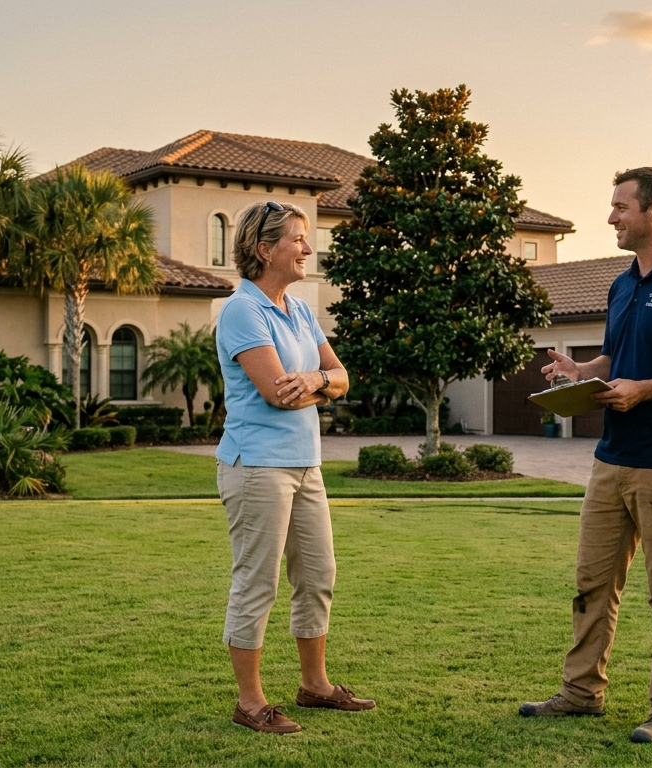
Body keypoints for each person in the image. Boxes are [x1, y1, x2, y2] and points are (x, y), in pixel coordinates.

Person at [520, 168, 652, 743]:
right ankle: (580, 692)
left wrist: (644, 389)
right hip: (610, 460)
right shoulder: (624, 284)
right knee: (592, 584)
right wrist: (581, 372)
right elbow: (616, 359)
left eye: (620, 207)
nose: (611, 217)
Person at [215, 200, 375, 734]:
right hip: (257, 465)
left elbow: (341, 378)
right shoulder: (243, 310)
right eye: (298, 239)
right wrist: (317, 384)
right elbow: (276, 394)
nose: (309, 248)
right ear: (264, 249)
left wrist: (312, 381)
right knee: (256, 582)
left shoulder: (300, 310)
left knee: (318, 576)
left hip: (306, 465)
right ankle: (251, 702)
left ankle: (314, 686)